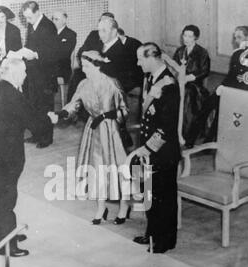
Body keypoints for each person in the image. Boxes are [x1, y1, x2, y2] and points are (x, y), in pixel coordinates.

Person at [0, 58, 50, 257]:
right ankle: (7, 246)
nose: (24, 76)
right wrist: (51, 120)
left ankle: (6, 234)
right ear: (13, 73)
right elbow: (36, 125)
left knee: (0, 196)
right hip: (7, 158)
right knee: (6, 198)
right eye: (23, 72)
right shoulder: (15, 96)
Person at [49, 51, 130, 225]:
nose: (83, 69)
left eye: (86, 66)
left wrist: (109, 116)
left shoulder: (111, 83)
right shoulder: (83, 84)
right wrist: (60, 113)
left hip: (112, 132)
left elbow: (124, 110)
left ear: (97, 65)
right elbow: (74, 104)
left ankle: (124, 206)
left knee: (117, 168)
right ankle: (101, 207)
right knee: (96, 167)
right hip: (93, 130)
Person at [133, 43, 181, 254]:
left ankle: (164, 241)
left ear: (152, 58)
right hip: (148, 148)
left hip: (162, 152)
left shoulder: (168, 84)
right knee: (149, 193)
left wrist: (148, 149)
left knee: (164, 197)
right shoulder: (151, 78)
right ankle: (152, 234)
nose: (138, 63)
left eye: (141, 59)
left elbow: (166, 125)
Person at [190, 26, 248, 143]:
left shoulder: (239, 53)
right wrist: (222, 86)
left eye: (239, 37)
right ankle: (194, 139)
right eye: (235, 37)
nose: (236, 41)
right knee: (208, 105)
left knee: (219, 110)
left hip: (239, 94)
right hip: (229, 88)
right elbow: (232, 74)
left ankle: (208, 141)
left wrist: (223, 87)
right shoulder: (237, 53)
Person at [22, 1, 59, 149]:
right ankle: (37, 134)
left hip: (46, 74)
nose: (27, 21)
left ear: (38, 11)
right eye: (26, 18)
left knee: (45, 106)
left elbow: (52, 53)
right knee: (34, 104)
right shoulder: (32, 24)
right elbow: (30, 45)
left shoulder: (48, 26)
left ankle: (47, 137)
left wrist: (35, 54)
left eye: (29, 17)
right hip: (33, 72)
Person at [173, 25, 210, 148]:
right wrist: (177, 77)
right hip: (179, 83)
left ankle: (187, 136)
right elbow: (173, 67)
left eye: (190, 36)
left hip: (195, 86)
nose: (186, 39)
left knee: (188, 94)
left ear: (196, 38)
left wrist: (190, 77)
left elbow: (205, 71)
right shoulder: (179, 51)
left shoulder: (202, 52)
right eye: (184, 35)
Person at [52, 9, 77, 83]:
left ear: (64, 20)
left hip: (62, 71)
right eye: (52, 19)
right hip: (50, 69)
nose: (53, 21)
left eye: (56, 19)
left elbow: (64, 55)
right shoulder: (50, 33)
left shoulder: (71, 34)